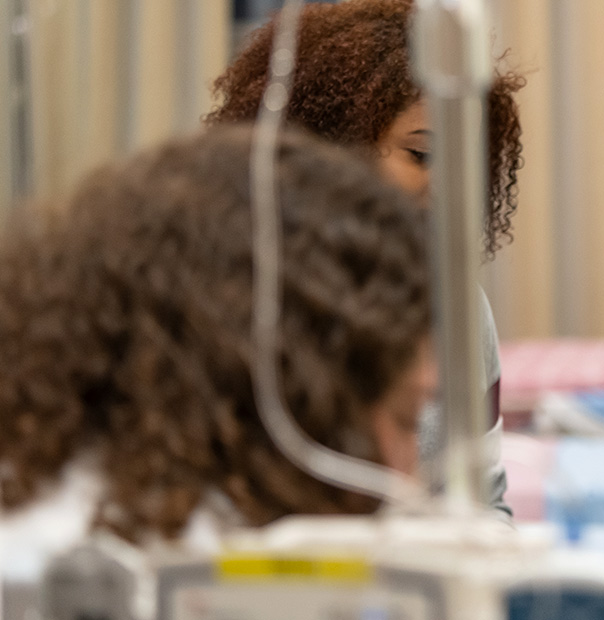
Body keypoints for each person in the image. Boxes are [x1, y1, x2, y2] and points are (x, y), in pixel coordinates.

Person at [0, 125, 434, 556]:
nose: (407, 476)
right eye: (406, 421)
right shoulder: (212, 566)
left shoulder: (41, 495)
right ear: (290, 403)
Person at [206, 0, 525, 517]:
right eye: (422, 156)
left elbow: (487, 506)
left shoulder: (462, 311)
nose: (449, 186)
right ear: (334, 147)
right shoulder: (244, 303)